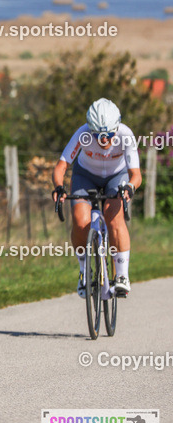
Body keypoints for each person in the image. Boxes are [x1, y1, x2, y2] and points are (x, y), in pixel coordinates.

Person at [52, 98, 141, 297]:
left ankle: (122, 276)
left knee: (113, 217)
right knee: (80, 220)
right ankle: (84, 272)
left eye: (109, 135)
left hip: (117, 177)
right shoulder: (82, 133)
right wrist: (59, 187)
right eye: (98, 135)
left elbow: (136, 175)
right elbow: (61, 167)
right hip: (85, 176)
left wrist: (130, 187)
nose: (104, 140)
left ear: (116, 128)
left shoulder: (126, 135)